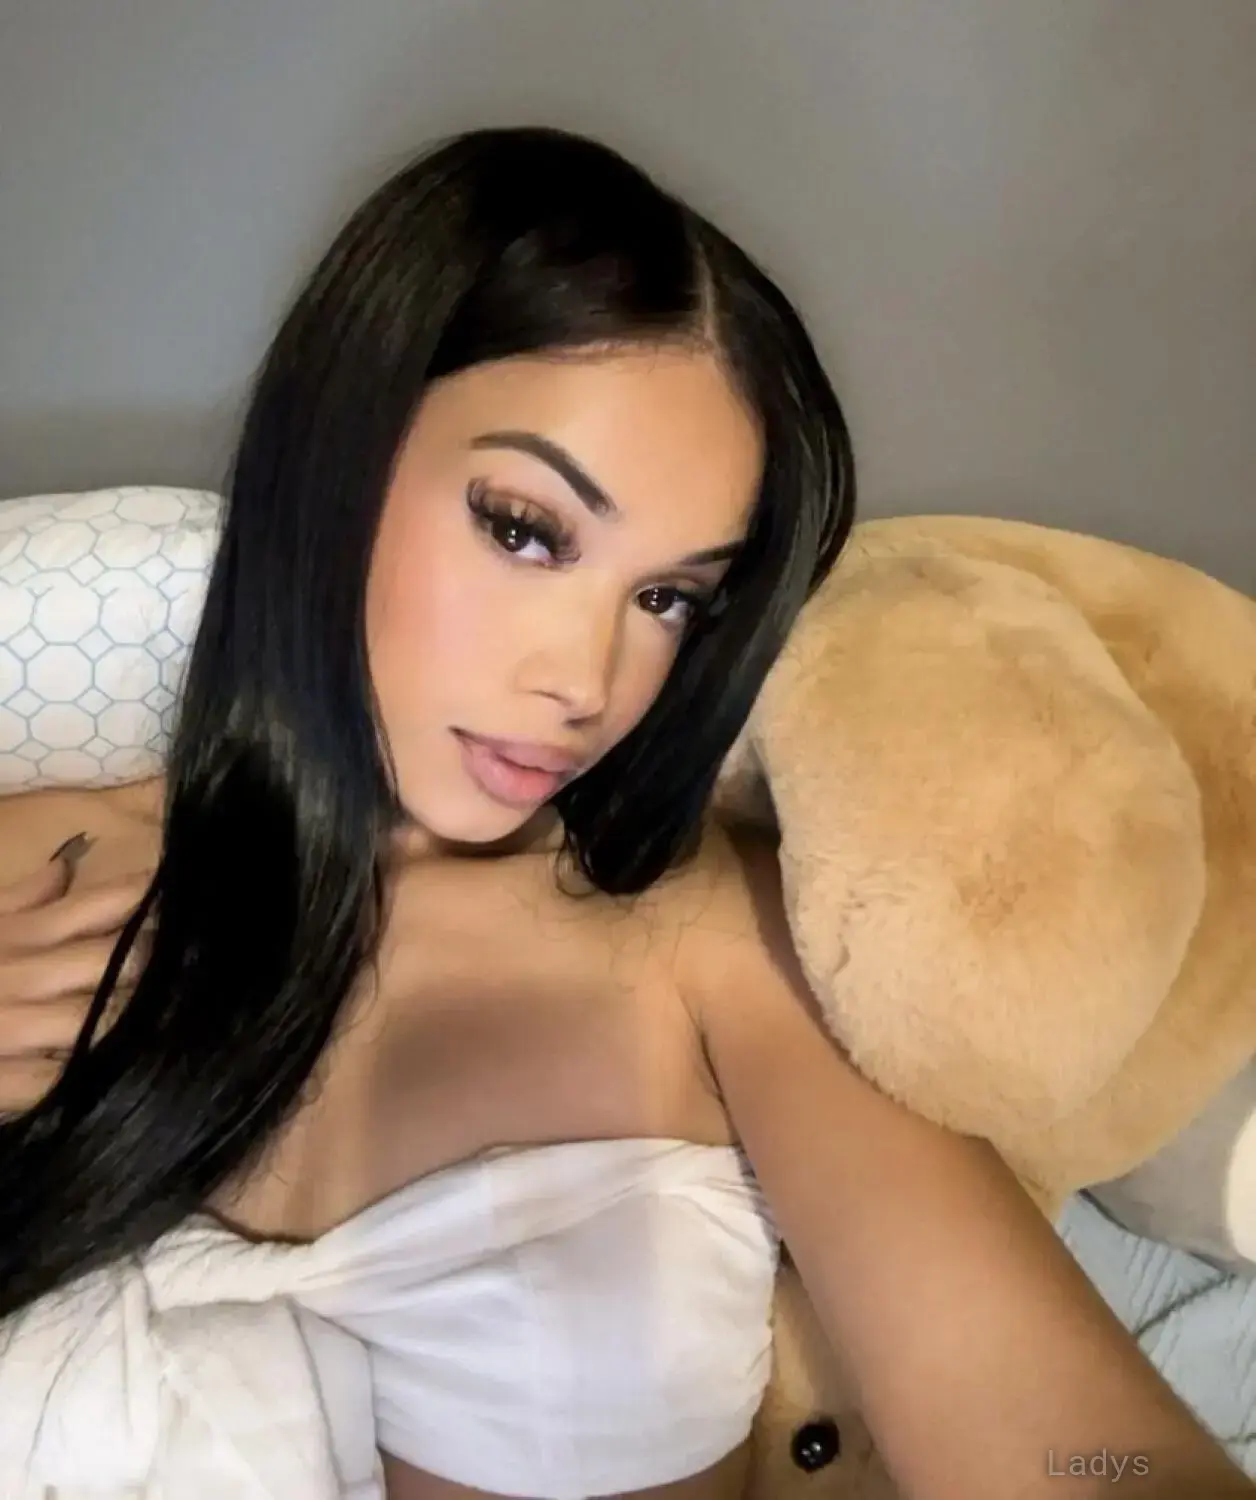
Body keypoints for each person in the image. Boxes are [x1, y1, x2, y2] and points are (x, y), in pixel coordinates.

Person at [0, 125, 1248, 1500]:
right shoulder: (43, 870)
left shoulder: (714, 938)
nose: (587, 682)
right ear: (337, 455)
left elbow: (1079, 1450)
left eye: (668, 599)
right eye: (525, 530)